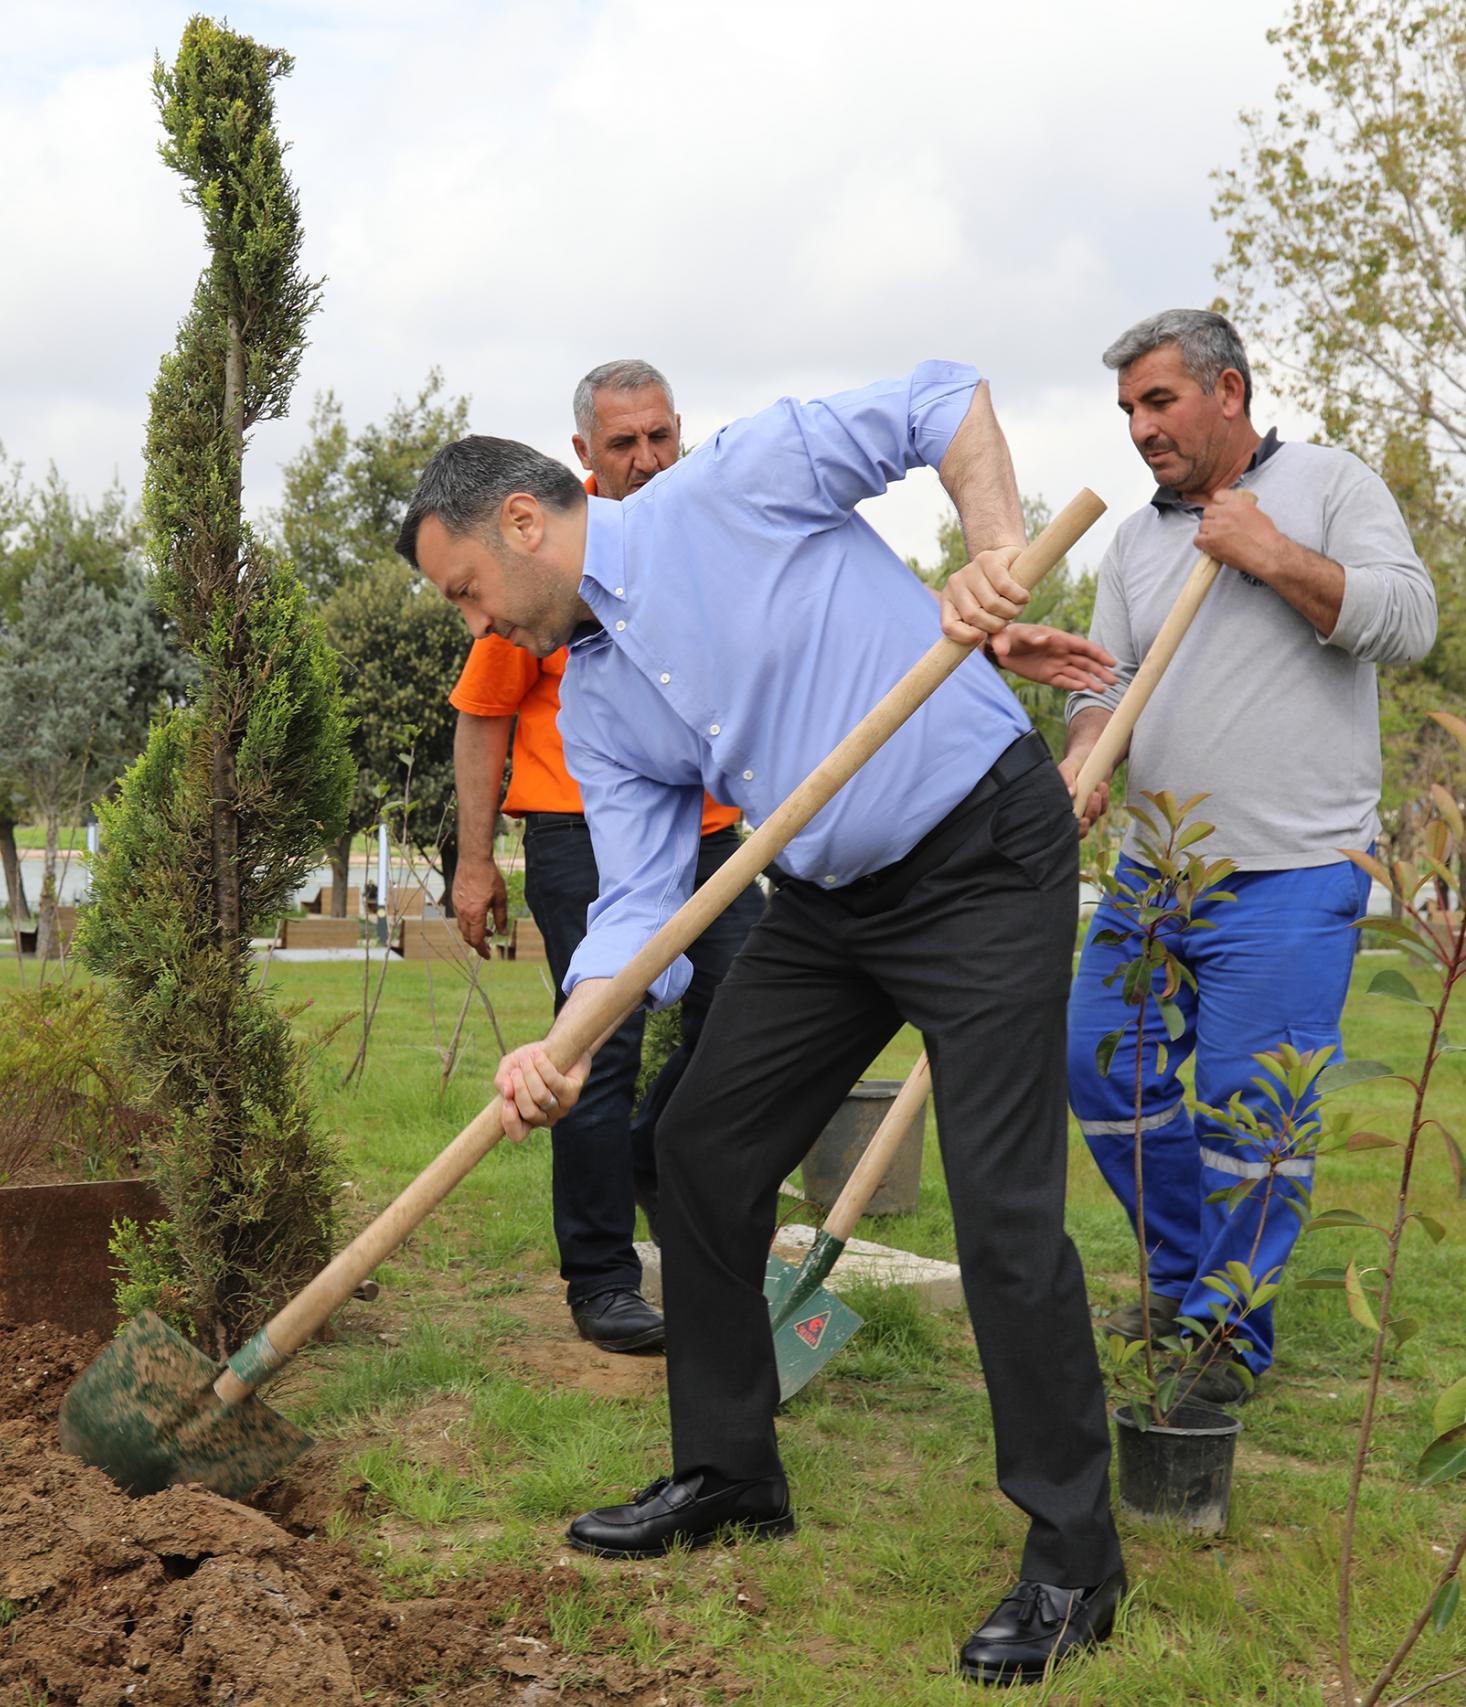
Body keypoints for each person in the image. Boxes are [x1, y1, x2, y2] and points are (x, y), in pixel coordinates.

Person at [401, 364, 1126, 1686]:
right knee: (704, 1153)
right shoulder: (599, 697)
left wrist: (995, 552)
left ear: (521, 520)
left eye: (463, 590)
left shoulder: (732, 485)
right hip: (826, 903)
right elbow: (634, 906)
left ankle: (1075, 1556)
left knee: (1002, 1211)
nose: (471, 616)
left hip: (979, 853)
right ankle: (732, 1472)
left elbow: (941, 401)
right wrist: (569, 1036)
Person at [1059, 309, 1437, 1403]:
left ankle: (1226, 1335)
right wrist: (1086, 756)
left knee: (1246, 1110)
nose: (1139, 428)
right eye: (1128, 409)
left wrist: (1269, 554)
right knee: (1100, 1067)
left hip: (1292, 867)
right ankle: (1185, 1281)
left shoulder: (1328, 484)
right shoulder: (1135, 540)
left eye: (1158, 401)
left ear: (1227, 391)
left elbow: (1410, 624)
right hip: (1153, 868)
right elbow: (1105, 688)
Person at [447, 359, 761, 1356]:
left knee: (752, 1011)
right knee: (597, 1046)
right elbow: (480, 720)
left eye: (659, 437)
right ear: (583, 455)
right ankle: (600, 1275)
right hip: (582, 837)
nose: (646, 458)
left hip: (711, 830)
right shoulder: (542, 554)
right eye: (621, 444)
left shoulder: (698, 537)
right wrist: (473, 862)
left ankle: (644, 1153)